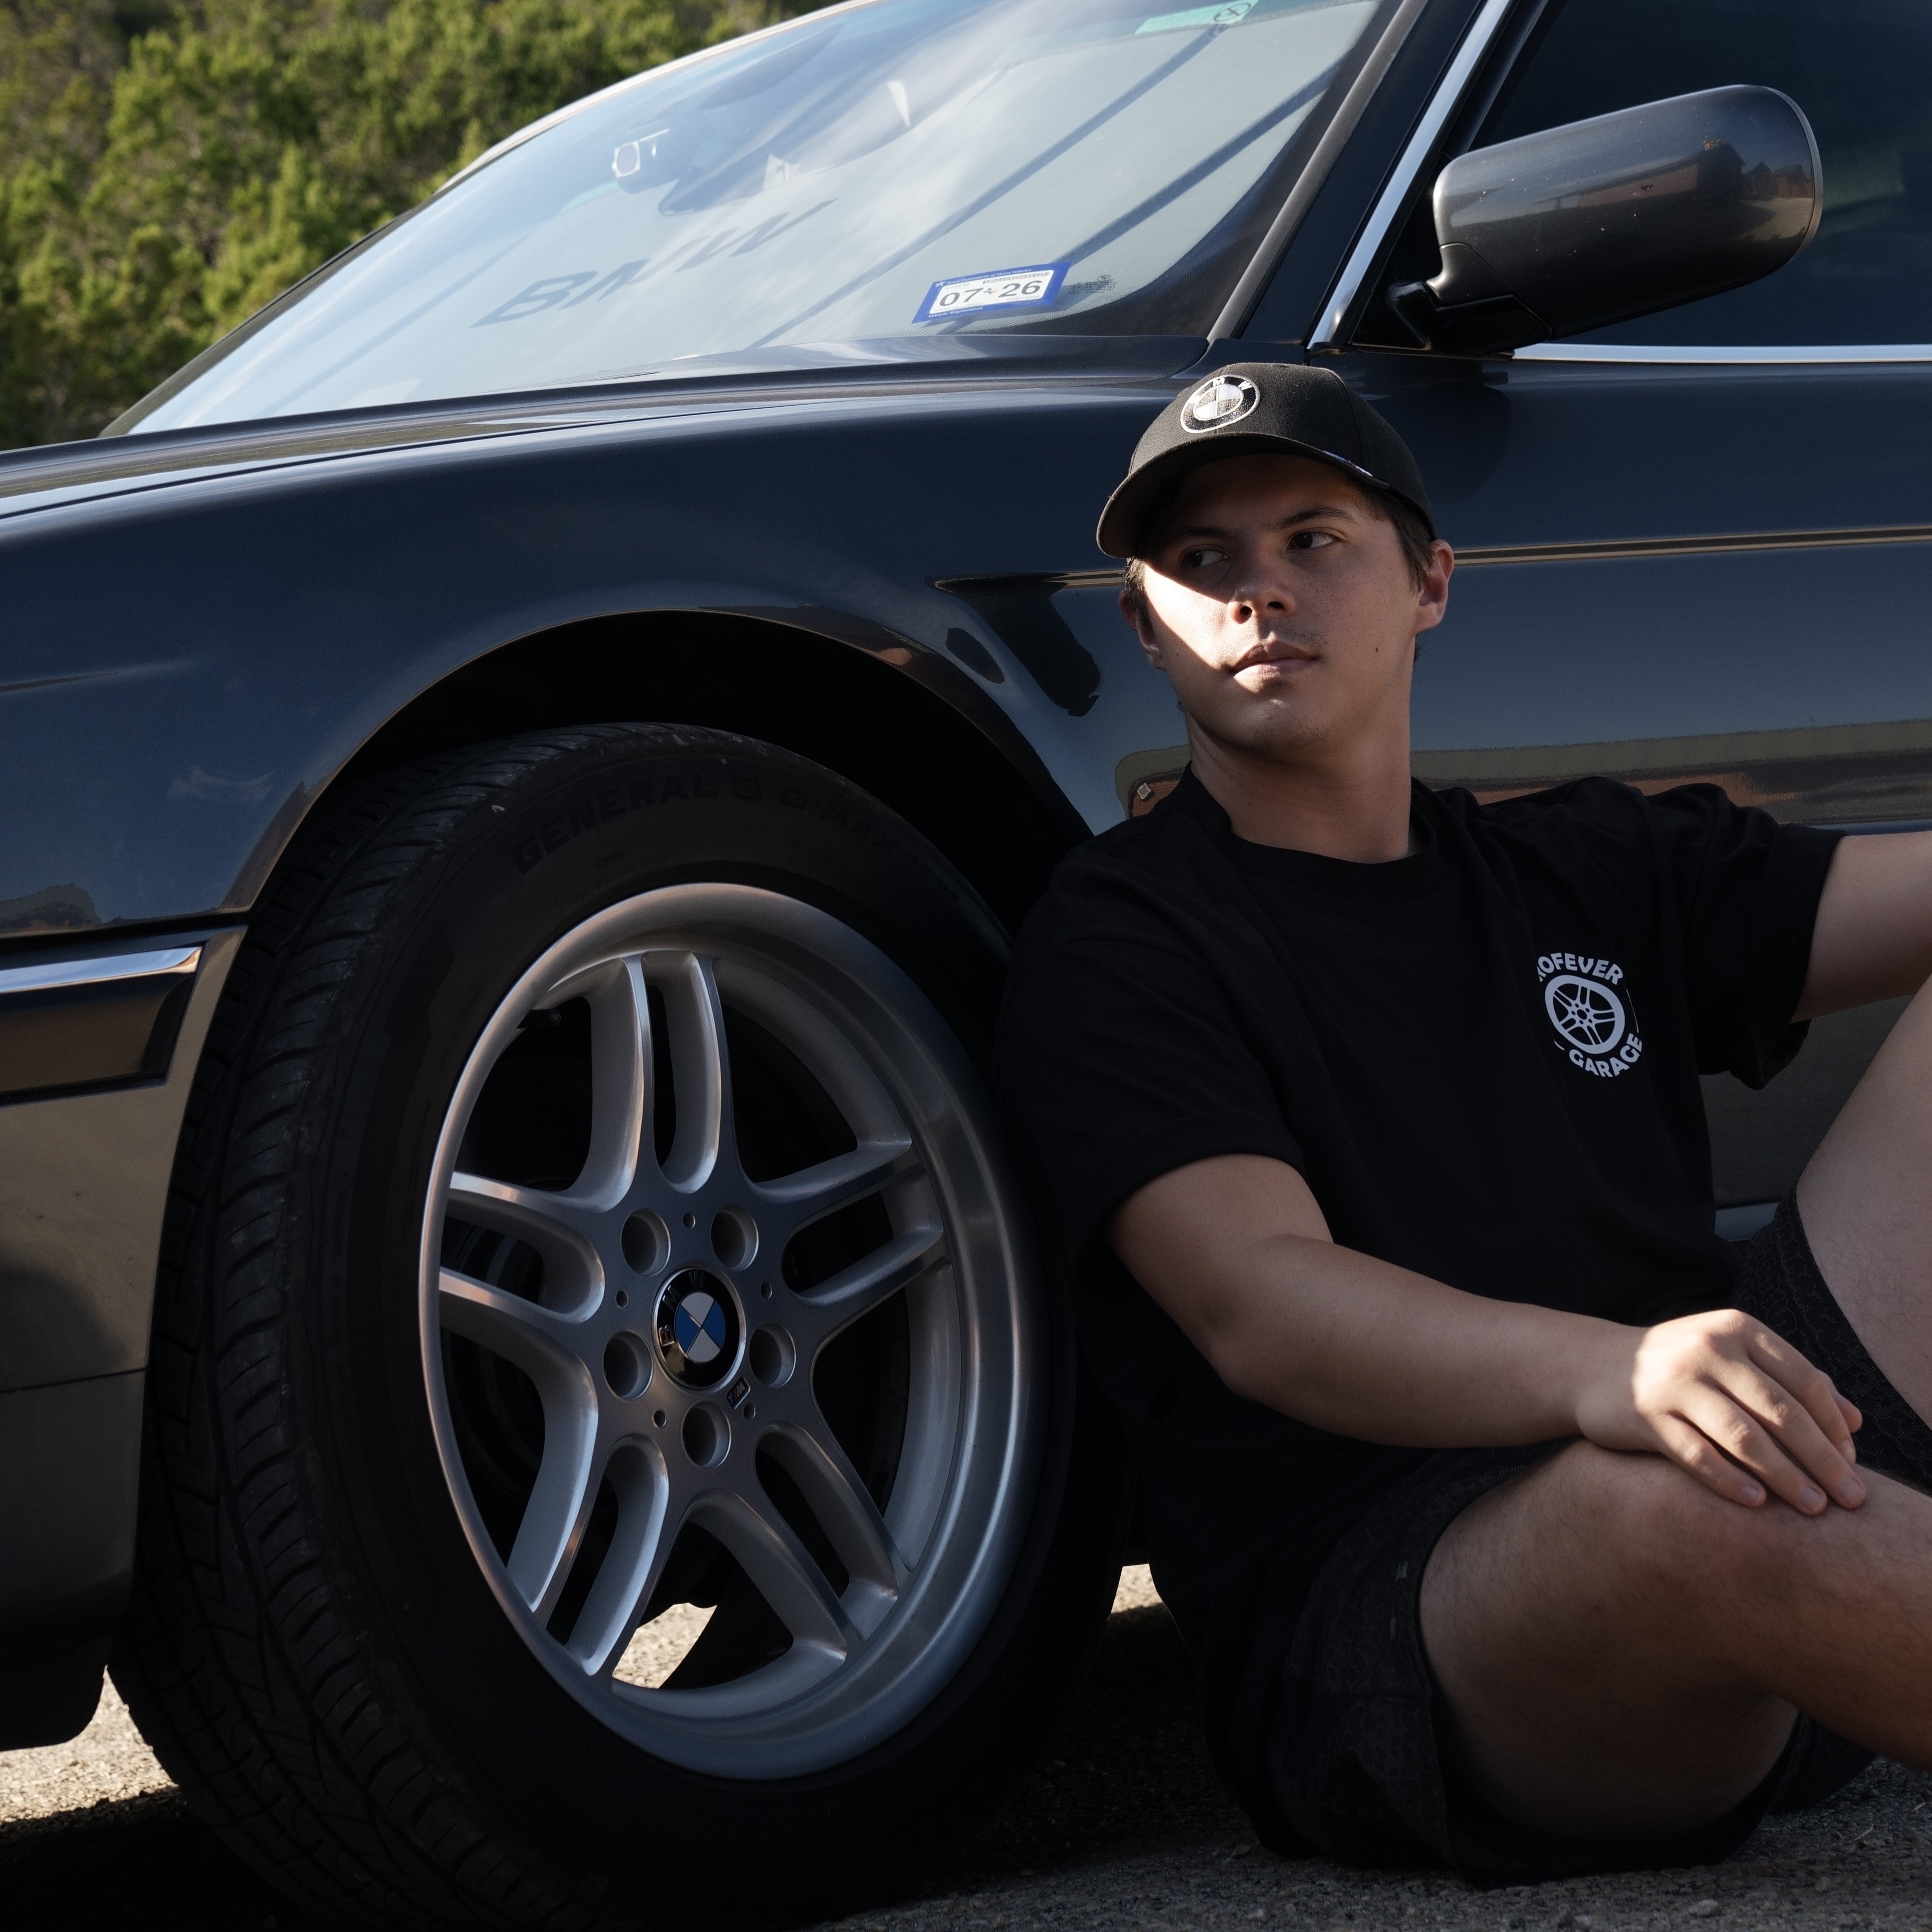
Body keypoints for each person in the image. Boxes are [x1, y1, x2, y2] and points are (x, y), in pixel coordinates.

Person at [995, 361, 1932, 1880]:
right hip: (1412, 1618)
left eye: (1313, 541)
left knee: (1724, 1476)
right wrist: (1615, 1374)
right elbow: (1260, 1307)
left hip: (1755, 1465)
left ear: (1430, 582)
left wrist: (1671, 1392)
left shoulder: (1583, 867)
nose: (1257, 593)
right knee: (1704, 1500)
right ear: (1145, 626)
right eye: (1203, 561)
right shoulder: (1123, 941)